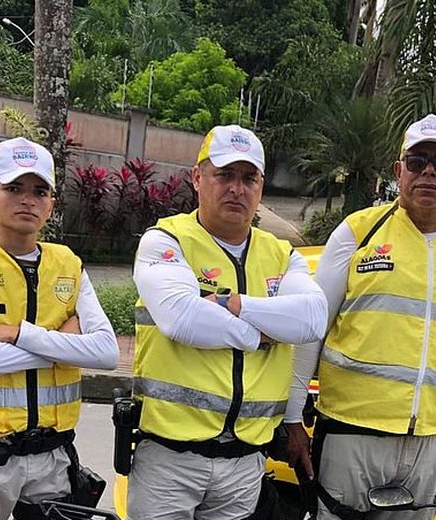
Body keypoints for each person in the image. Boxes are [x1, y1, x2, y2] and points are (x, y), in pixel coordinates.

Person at [286, 114, 436, 519]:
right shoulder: (358, 233)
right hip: (352, 433)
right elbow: (310, 329)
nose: (429, 173)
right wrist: (294, 416)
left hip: (430, 441)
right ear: (399, 171)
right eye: (417, 162)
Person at [127, 124, 328, 520]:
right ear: (198, 178)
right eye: (225, 175)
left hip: (244, 463)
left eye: (248, 178)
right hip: (169, 459)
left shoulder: (283, 254)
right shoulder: (166, 240)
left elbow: (312, 319)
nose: (237, 188)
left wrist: (231, 304)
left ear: (261, 187)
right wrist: (268, 332)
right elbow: (182, 318)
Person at [0, 137, 120, 519]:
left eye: (39, 190)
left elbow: (107, 352)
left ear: (51, 203)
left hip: (53, 460)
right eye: (13, 187)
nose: (27, 199)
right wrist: (62, 343)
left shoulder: (68, 265)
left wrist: (18, 333)